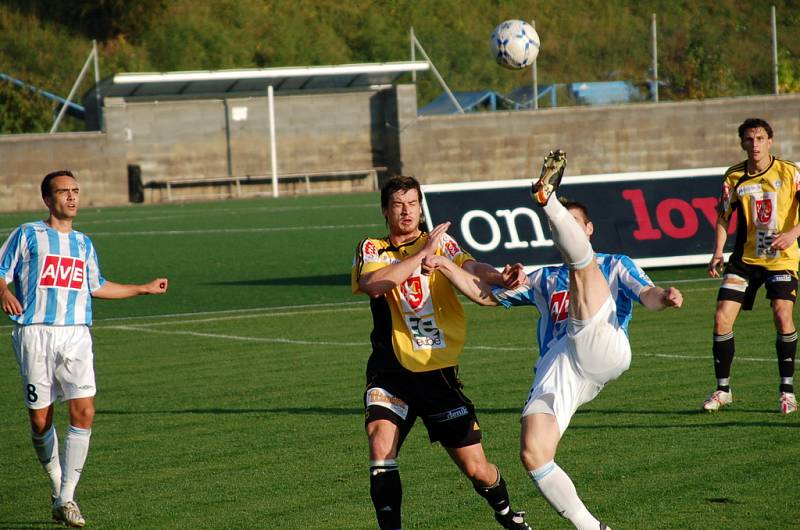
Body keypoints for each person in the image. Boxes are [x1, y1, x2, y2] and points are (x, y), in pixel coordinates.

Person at [424, 150, 683, 530]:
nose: (574, 235)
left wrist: (666, 297)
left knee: (584, 271)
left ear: (588, 229)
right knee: (534, 453)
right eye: (567, 228)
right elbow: (484, 295)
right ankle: (591, 527)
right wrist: (445, 264)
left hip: (603, 345)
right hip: (561, 365)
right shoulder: (543, 278)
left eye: (577, 227)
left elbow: (648, 294)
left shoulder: (614, 264)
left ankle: (547, 200)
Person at [351, 175, 531, 530]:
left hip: (438, 375)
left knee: (477, 470)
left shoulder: (440, 243)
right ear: (385, 211)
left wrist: (499, 277)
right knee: (380, 444)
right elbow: (374, 285)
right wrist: (420, 256)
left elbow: (472, 268)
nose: (407, 211)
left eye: (413, 204)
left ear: (421, 208)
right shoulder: (372, 248)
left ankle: (507, 513)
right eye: (398, 205)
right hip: (390, 375)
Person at [0, 170, 168, 528]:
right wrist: (4, 291)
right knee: (40, 420)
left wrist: (143, 288)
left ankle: (66, 498)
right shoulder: (28, 234)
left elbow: (98, 285)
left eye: (76, 191)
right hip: (35, 334)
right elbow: (1, 270)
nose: (72, 197)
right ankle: (58, 486)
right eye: (64, 192)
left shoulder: (83, 243)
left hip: (76, 334)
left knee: (85, 412)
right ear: (48, 199)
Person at [704, 118, 800, 414]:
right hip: (744, 261)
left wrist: (792, 234)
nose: (755, 144)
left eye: (760, 138)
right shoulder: (733, 177)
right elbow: (723, 216)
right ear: (742, 144)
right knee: (722, 318)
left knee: (782, 315)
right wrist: (718, 251)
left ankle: (787, 392)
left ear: (770, 141)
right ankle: (723, 391)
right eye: (749, 139)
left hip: (781, 260)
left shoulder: (789, 171)